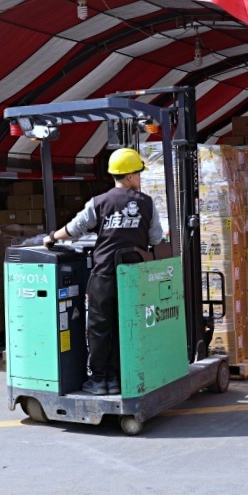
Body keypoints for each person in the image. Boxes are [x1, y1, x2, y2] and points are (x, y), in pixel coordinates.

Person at [43, 148, 165, 396]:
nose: (140, 178)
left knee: (99, 328)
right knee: (128, 327)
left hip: (104, 274)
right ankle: (122, 378)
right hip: (133, 278)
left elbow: (75, 228)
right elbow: (156, 238)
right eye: (139, 173)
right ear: (130, 175)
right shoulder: (147, 203)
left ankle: (99, 380)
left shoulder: (99, 202)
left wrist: (51, 237)